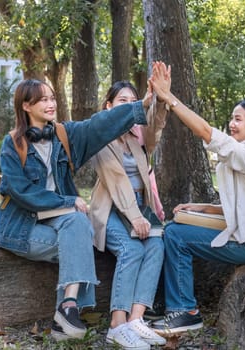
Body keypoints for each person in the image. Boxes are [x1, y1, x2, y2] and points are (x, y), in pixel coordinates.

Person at [0, 78, 153, 340]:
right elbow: (20, 191)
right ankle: (66, 318)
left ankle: (67, 308)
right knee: (77, 234)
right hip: (22, 228)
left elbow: (98, 125)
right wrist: (67, 201)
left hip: (62, 223)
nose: (51, 104)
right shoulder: (13, 144)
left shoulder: (64, 136)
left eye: (52, 98)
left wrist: (142, 105)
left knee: (80, 224)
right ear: (26, 105)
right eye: (43, 99)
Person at [149, 65, 245, 335]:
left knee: (176, 237)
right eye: (232, 118)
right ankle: (161, 303)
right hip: (241, 235)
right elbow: (241, 207)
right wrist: (201, 208)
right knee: (172, 229)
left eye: (239, 119)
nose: (232, 123)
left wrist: (169, 98)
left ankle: (186, 311)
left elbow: (206, 132)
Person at [88, 65, 170, 349]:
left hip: (138, 204)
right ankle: (117, 324)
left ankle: (137, 320)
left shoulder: (136, 135)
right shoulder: (100, 132)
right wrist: (135, 216)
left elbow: (155, 130)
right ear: (108, 105)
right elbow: (115, 180)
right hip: (111, 207)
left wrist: (161, 98)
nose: (128, 105)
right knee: (131, 248)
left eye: (132, 100)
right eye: (122, 100)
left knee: (157, 246)